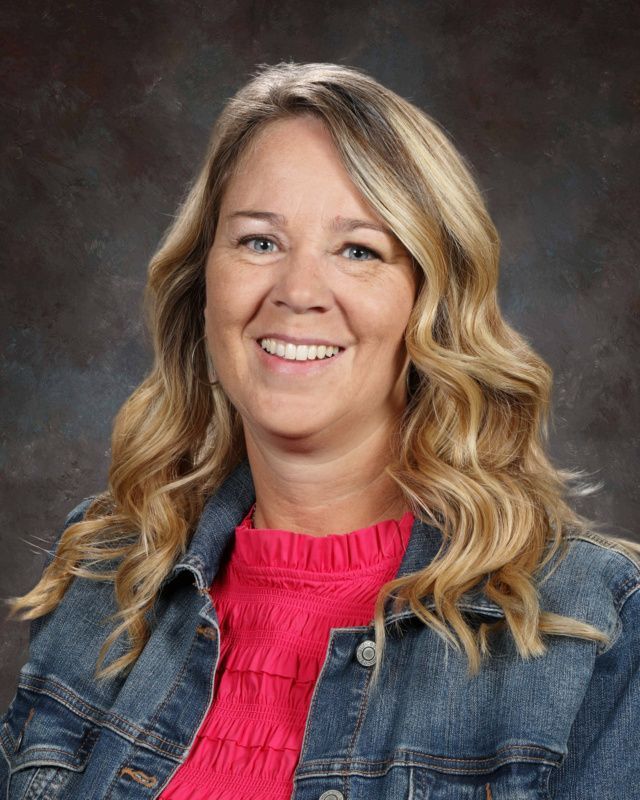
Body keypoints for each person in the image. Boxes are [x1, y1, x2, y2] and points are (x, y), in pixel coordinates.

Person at [1, 61, 639, 800]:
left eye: (359, 250)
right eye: (259, 242)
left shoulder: (594, 627)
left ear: (430, 302)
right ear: (203, 282)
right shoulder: (105, 578)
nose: (298, 292)